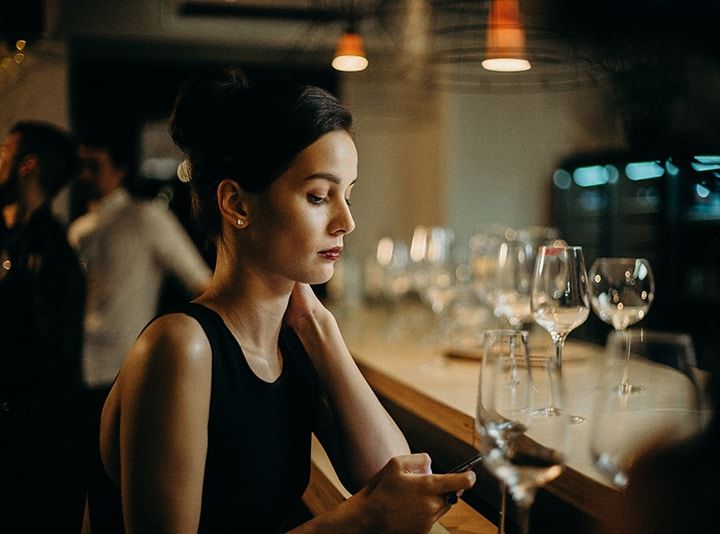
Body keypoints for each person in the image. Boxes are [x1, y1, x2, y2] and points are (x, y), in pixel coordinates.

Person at [86, 68, 476, 533]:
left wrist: (321, 328)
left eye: (348, 195)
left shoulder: (295, 341)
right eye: (319, 196)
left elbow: (394, 478)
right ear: (237, 204)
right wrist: (358, 521)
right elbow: (379, 507)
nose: (347, 222)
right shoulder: (180, 347)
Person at [67, 133, 212, 429]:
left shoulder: (146, 218)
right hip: (76, 365)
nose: (84, 176)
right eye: (81, 166)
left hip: (125, 365)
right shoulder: (77, 230)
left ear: (120, 170)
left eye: (95, 166)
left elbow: (200, 282)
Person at [0, 121, 86, 532]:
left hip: (26, 444)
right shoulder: (8, 237)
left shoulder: (54, 255)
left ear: (27, 164)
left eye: (4, 151)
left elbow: (55, 358)